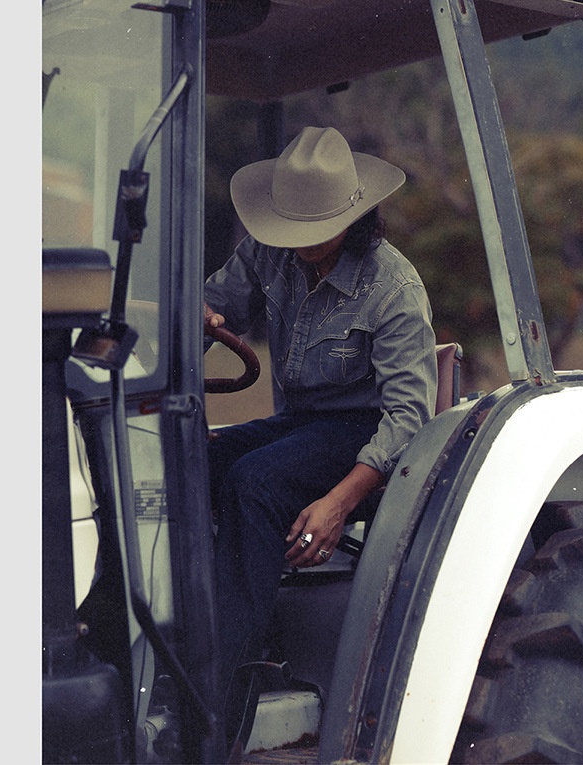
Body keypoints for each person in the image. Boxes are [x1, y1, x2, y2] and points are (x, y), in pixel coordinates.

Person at [203, 126, 437, 745]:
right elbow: (211, 308)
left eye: (319, 228)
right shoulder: (270, 253)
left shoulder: (393, 287)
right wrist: (191, 319)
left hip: (362, 431)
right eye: (294, 228)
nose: (303, 242)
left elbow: (408, 417)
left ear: (355, 218)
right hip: (299, 422)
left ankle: (219, 710)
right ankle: (169, 638)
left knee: (255, 482)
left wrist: (338, 502)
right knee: (188, 460)